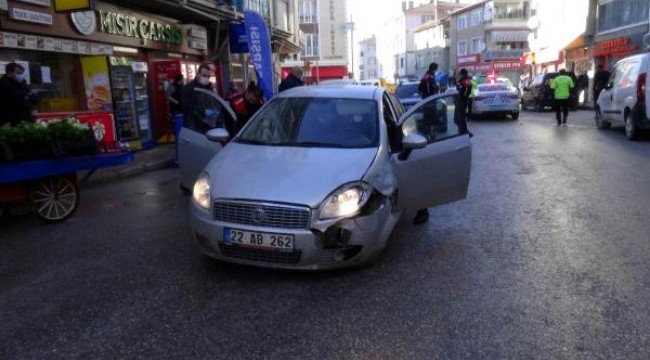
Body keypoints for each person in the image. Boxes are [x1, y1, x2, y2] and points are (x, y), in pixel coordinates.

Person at [0, 62, 39, 127]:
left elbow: (35, 99)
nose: (21, 75)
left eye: (21, 74)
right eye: (18, 73)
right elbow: (18, 100)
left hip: (25, 119)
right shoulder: (5, 84)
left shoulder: (21, 82)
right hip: (11, 121)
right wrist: (27, 96)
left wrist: (27, 97)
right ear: (9, 73)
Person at [455, 68, 472, 134]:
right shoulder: (466, 80)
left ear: (462, 74)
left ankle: (464, 131)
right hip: (464, 101)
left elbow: (464, 92)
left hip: (462, 101)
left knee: (461, 117)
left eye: (460, 74)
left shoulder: (464, 82)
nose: (459, 75)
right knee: (462, 116)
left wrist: (462, 100)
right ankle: (463, 130)